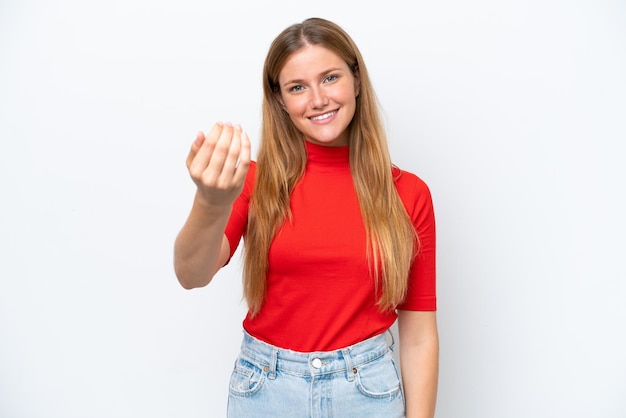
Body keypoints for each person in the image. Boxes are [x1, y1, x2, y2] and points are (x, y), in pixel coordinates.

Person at [174, 17, 438, 418]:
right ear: (280, 99)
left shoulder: (408, 193)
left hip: (367, 393)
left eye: (330, 78)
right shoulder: (254, 182)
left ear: (356, 80)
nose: (317, 99)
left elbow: (418, 336)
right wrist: (210, 202)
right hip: (266, 391)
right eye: (297, 87)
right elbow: (191, 274)